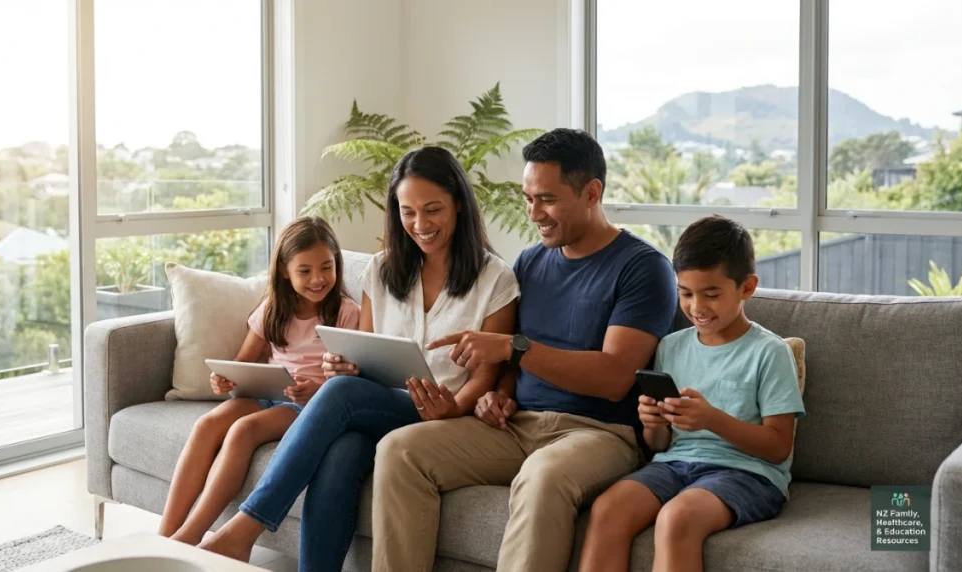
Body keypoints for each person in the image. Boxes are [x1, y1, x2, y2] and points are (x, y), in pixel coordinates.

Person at [371, 128, 680, 572]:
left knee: (544, 476)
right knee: (400, 450)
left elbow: (614, 379)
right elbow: (512, 364)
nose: (534, 213)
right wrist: (499, 394)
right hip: (517, 427)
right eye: (528, 198)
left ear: (592, 192)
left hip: (599, 433)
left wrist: (513, 350)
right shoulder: (531, 262)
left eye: (547, 199)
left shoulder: (643, 268)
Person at [198, 146, 519, 571]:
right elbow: (361, 350)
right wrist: (343, 364)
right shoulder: (382, 270)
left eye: (433, 210)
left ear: (459, 202)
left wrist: (453, 408)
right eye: (408, 212)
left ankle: (243, 531)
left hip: (446, 415)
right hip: (380, 405)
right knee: (343, 452)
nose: (420, 225)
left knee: (343, 393)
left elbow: (487, 372)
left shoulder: (495, 278)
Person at [577, 215, 806, 572]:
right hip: (674, 465)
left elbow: (778, 448)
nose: (697, 307)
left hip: (748, 474)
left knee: (677, 517)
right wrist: (653, 424)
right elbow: (660, 445)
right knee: (608, 509)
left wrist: (712, 419)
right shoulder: (670, 346)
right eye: (685, 294)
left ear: (746, 288)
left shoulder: (769, 353)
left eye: (711, 294)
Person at [158, 216, 361, 545]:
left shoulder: (347, 312)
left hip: (307, 406)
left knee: (243, 430)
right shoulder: (273, 309)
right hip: (266, 393)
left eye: (327, 267)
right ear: (284, 270)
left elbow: (357, 378)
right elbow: (241, 362)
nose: (318, 279)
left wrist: (319, 390)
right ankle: (165, 536)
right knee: (207, 425)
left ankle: (189, 537)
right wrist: (224, 379)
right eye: (305, 271)